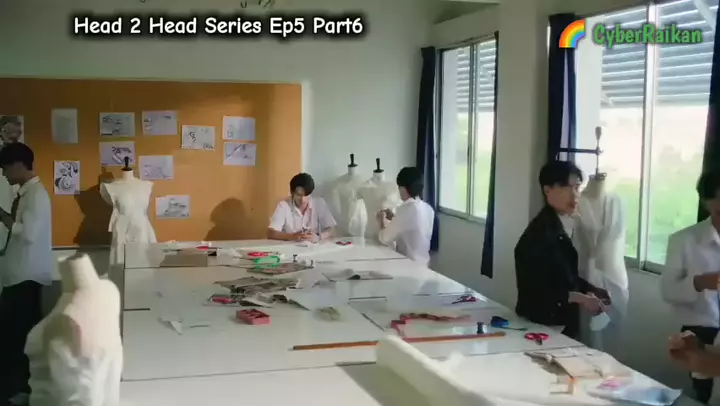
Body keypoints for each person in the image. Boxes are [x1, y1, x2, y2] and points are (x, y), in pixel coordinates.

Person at [514, 160, 610, 339]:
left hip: (562, 323)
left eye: (577, 188)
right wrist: (582, 298)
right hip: (541, 327)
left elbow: (564, 276)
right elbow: (540, 291)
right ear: (547, 190)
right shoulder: (538, 235)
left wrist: (590, 289)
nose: (574, 195)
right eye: (565, 189)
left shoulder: (563, 224)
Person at [0, 143, 53, 405]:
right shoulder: (26, 194)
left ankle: (21, 392)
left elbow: (28, 234)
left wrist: (3, 217)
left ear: (19, 165)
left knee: (19, 340)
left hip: (26, 278)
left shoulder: (36, 195)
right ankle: (17, 390)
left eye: (5, 168)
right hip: (18, 276)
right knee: (13, 337)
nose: (4, 174)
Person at [661, 171, 720, 404]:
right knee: (706, 396)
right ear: (706, 203)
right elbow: (668, 291)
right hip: (701, 331)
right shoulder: (684, 240)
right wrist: (699, 282)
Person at [376, 167, 434, 265]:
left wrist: (381, 221)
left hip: (408, 264)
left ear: (404, 188)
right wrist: (394, 218)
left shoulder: (406, 209)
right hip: (423, 263)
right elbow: (413, 228)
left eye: (399, 187)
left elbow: (384, 238)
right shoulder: (428, 209)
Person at [268, 172, 336, 241]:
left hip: (313, 246)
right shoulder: (283, 205)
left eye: (306, 195)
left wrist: (318, 237)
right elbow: (271, 233)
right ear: (292, 192)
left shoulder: (319, 203)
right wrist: (292, 236)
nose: (303, 200)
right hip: (290, 246)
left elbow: (332, 229)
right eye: (298, 195)